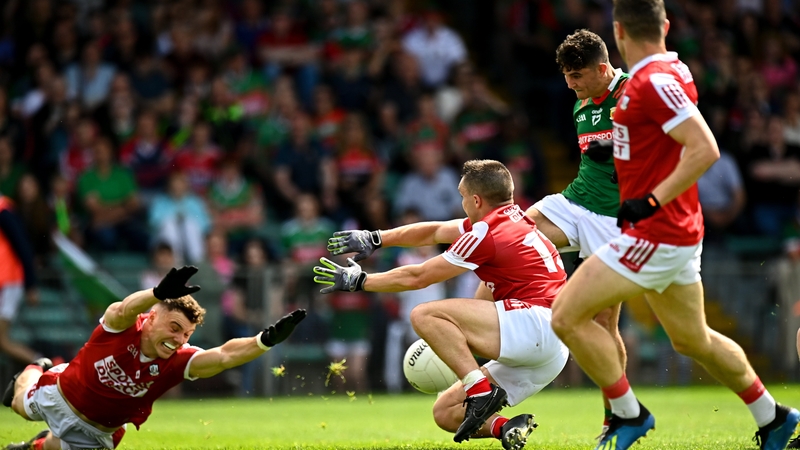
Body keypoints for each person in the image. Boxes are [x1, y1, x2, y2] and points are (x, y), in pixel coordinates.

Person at [548, 1, 800, 449]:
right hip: (676, 232)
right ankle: (773, 416)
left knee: (566, 315)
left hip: (657, 233)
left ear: (619, 30)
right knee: (692, 339)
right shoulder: (670, 69)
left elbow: (704, 148)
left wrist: (648, 201)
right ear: (665, 26)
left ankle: (628, 414)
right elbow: (665, 141)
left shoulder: (651, 80)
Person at [316, 160, 568, 450]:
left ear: (476, 200)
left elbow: (419, 276)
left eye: (462, 197)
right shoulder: (515, 219)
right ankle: (506, 427)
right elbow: (435, 231)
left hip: (534, 325)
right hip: (552, 346)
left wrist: (360, 281)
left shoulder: (485, 234)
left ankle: (479, 390)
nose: (461, 203)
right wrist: (376, 238)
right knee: (445, 411)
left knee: (425, 314)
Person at [484, 29, 629, 438]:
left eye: (577, 75)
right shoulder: (582, 102)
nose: (569, 84)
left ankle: (617, 415)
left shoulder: (633, 94)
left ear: (603, 68)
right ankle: (475, 332)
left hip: (616, 220)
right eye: (566, 75)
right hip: (576, 201)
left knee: (605, 324)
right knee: (505, 237)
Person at [3, 266, 306, 450]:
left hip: (97, 432)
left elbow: (225, 356)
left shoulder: (176, 361)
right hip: (60, 396)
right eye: (174, 328)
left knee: (55, 447)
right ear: (150, 318)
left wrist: (264, 341)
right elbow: (122, 309)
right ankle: (35, 367)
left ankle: (34, 444)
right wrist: (157, 292)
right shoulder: (121, 327)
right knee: (19, 405)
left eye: (186, 334)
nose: (178, 340)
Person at [0, 194, 40, 365]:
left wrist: (31, 284)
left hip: (8, 282)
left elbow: (22, 245)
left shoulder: (3, 210)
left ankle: (46, 366)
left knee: (1, 339)